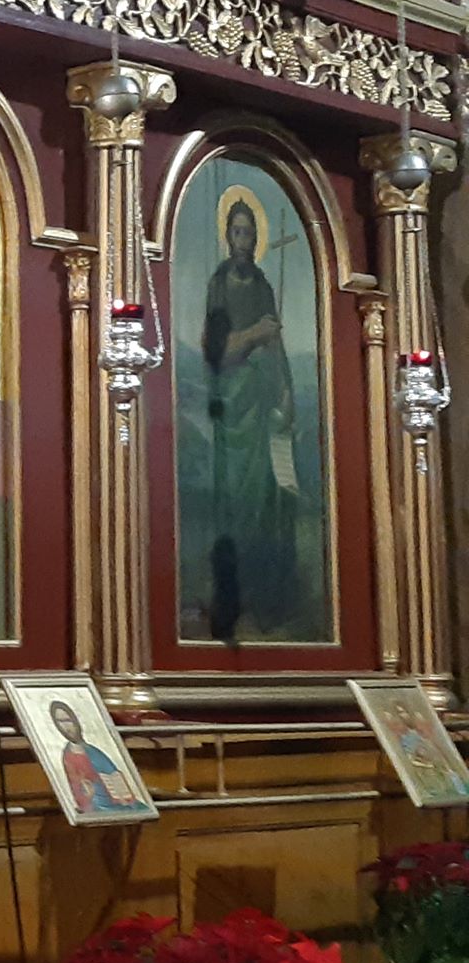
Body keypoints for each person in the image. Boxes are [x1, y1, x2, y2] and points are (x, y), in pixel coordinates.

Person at [202, 197, 299, 637]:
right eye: (238, 232)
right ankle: (233, 600)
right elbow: (217, 351)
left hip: (264, 409)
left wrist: (287, 390)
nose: (244, 241)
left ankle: (268, 599)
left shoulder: (262, 283)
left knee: (269, 505)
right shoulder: (219, 284)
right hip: (234, 407)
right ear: (228, 236)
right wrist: (254, 334)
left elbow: (276, 343)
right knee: (239, 505)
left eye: (250, 234)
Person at [50, 700, 141, 816]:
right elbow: (76, 790)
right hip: (95, 805)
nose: (66, 727)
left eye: (68, 720)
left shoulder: (94, 751)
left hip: (117, 801)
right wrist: (88, 793)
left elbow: (113, 775)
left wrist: (123, 796)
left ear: (76, 722)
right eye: (60, 722)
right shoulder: (67, 756)